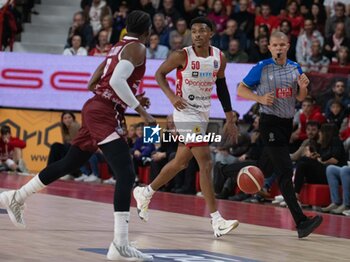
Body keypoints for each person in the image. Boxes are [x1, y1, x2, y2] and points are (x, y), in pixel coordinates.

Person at [0, 10, 154, 261]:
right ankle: (120, 245)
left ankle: (16, 197)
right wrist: (140, 109)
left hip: (96, 107)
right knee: (126, 172)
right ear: (148, 32)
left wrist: (127, 100)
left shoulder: (117, 46)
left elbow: (93, 82)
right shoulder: (138, 48)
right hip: (103, 113)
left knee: (70, 163)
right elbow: (116, 81)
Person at [133, 16, 239, 238]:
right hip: (184, 112)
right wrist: (172, 97)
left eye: (202, 30)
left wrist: (230, 117)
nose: (198, 34)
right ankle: (216, 220)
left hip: (203, 113)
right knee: (206, 162)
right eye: (194, 30)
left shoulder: (219, 57)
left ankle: (146, 191)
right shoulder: (182, 55)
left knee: (180, 163)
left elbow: (221, 87)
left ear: (211, 33)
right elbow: (159, 74)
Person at [237, 31, 323, 238]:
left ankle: (224, 171)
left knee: (263, 168)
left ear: (288, 46)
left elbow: (301, 97)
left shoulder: (295, 67)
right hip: (270, 123)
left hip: (286, 124)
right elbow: (240, 90)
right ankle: (301, 221)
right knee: (285, 172)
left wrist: (303, 88)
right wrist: (259, 98)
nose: (278, 48)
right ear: (269, 47)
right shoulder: (262, 67)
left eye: (282, 45)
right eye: (274, 45)